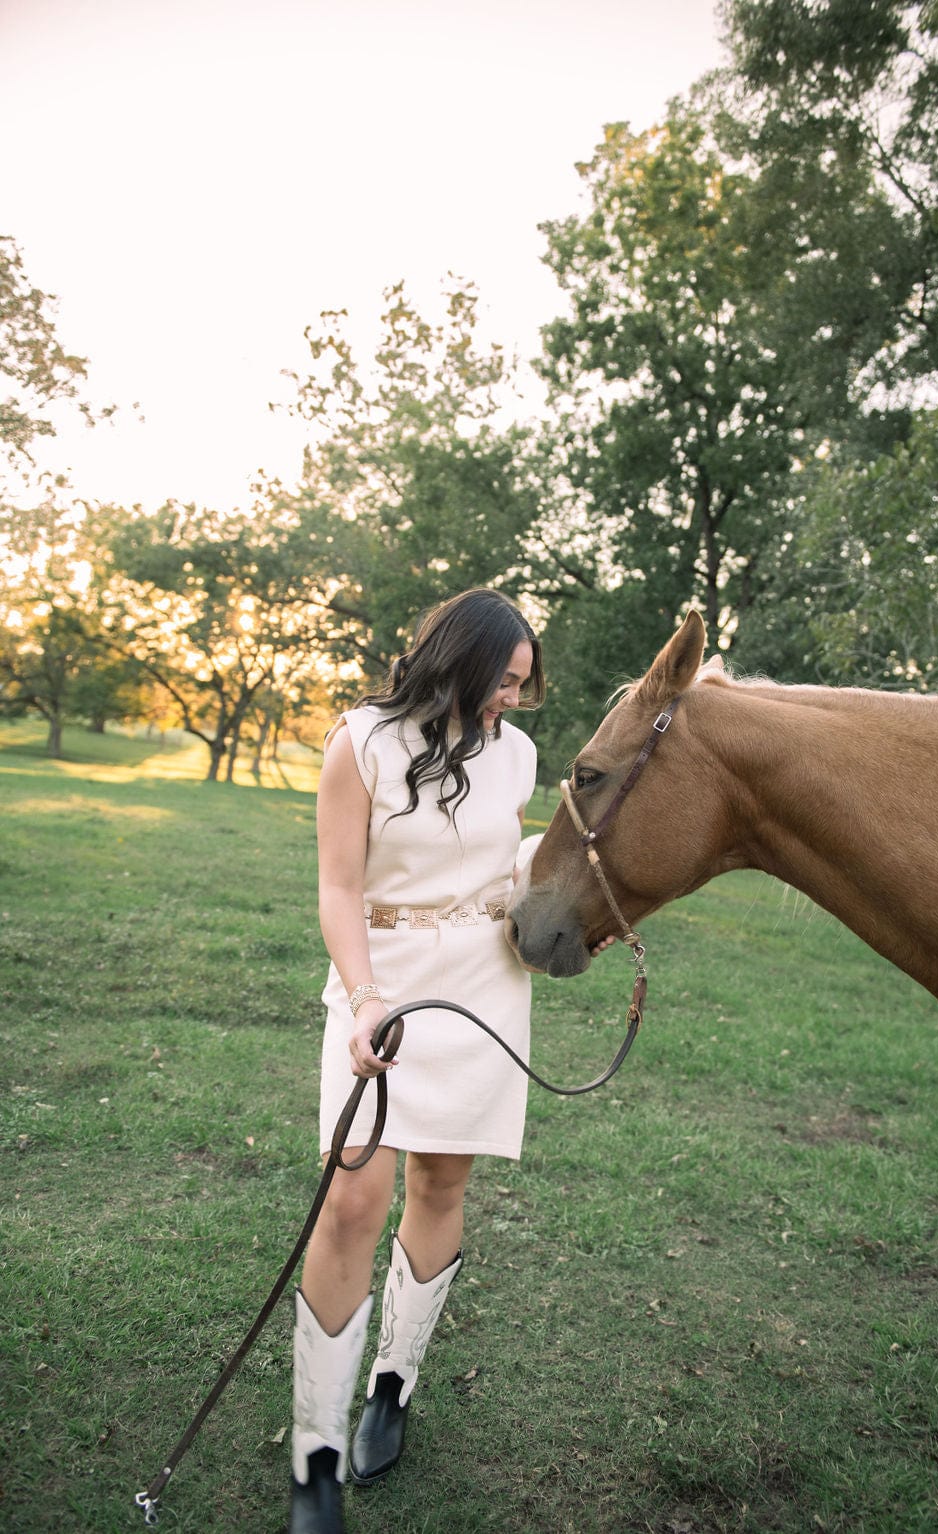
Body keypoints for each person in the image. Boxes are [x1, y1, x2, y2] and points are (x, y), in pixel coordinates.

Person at [289, 588, 589, 1534]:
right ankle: (315, 1457)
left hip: (484, 987)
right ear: (459, 659)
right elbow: (339, 891)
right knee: (349, 1202)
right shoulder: (362, 743)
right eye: (503, 679)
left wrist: (574, 879)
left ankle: (393, 1384)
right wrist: (366, 998)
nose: (512, 699)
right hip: (382, 986)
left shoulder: (519, 755)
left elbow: (499, 865)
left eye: (521, 686)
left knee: (441, 1185)